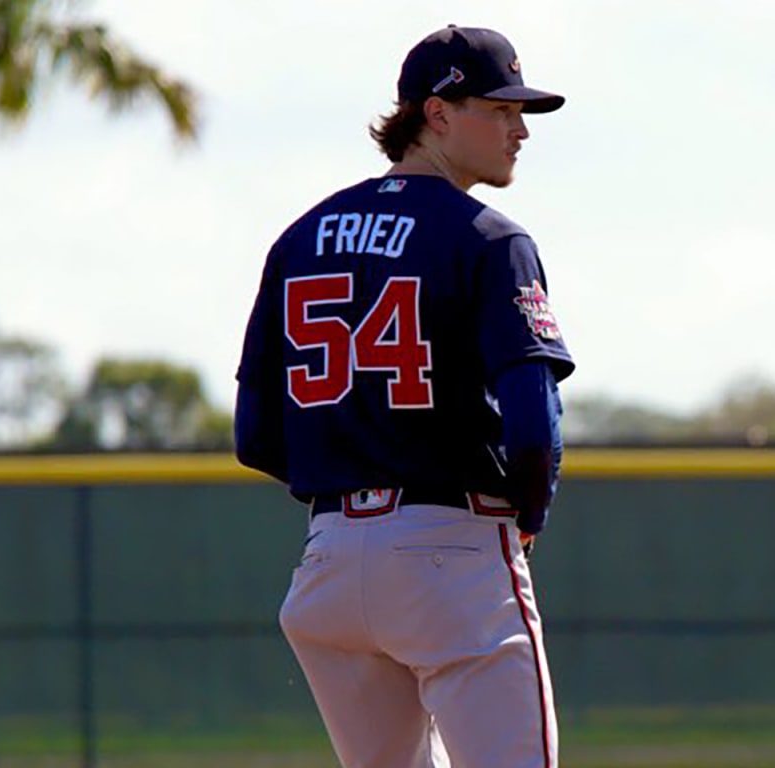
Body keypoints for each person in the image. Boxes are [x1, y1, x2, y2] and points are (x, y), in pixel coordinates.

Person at [233, 24, 573, 768]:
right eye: (500, 109)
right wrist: (528, 513)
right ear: (438, 113)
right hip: (452, 549)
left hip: (327, 565)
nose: (519, 130)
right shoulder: (488, 237)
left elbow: (255, 435)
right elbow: (532, 422)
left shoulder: (299, 239)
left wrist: (356, 489)